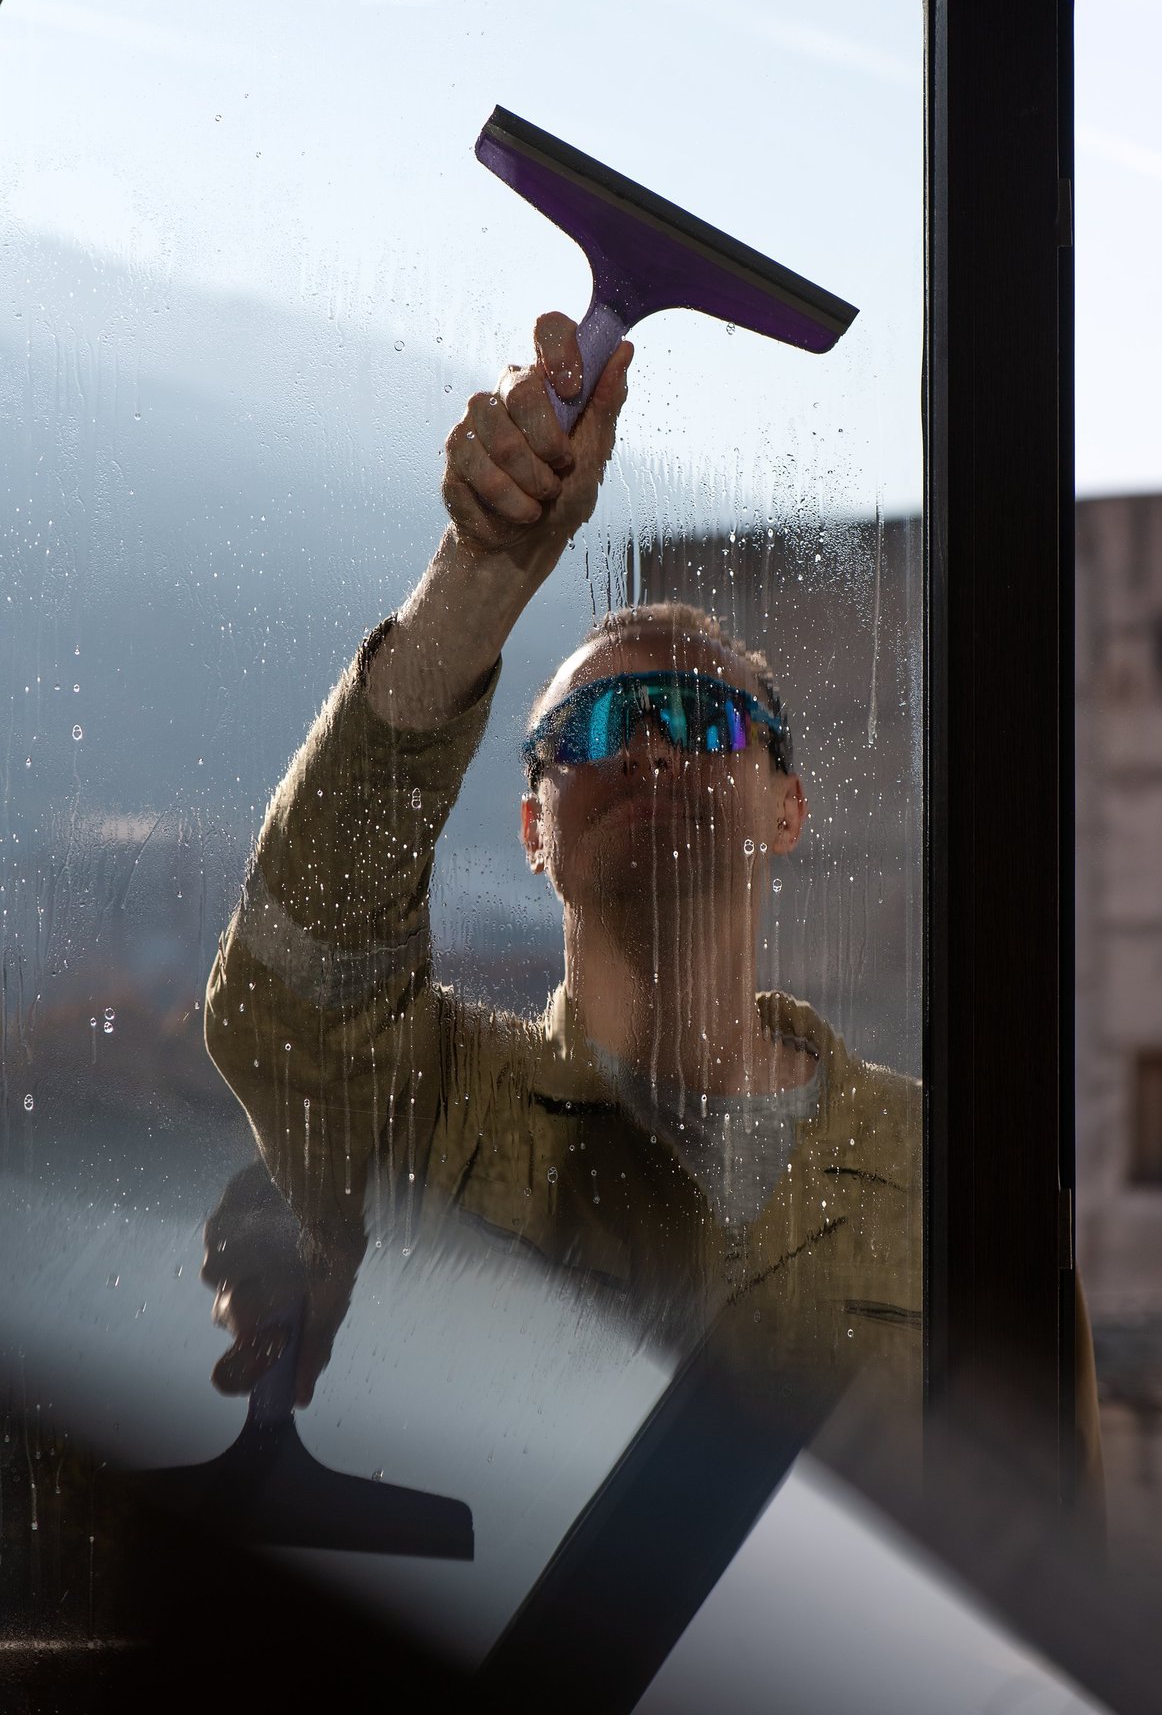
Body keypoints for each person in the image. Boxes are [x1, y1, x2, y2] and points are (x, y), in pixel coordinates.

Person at [200, 317, 993, 1470]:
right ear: (533, 830)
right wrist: (485, 571)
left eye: (705, 717)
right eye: (602, 725)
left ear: (788, 808)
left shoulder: (952, 1169)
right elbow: (292, 975)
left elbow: (1046, 1547)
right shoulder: (425, 1112)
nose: (655, 752)